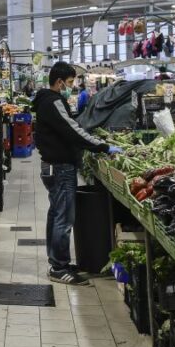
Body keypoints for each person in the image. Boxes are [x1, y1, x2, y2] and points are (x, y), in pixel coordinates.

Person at [33, 61, 122, 285]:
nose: (71, 87)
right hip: (60, 166)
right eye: (70, 82)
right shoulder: (53, 101)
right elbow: (72, 130)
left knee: (56, 214)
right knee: (64, 216)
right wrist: (103, 146)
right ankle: (59, 267)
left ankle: (57, 261)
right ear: (60, 81)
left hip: (50, 164)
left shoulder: (45, 100)